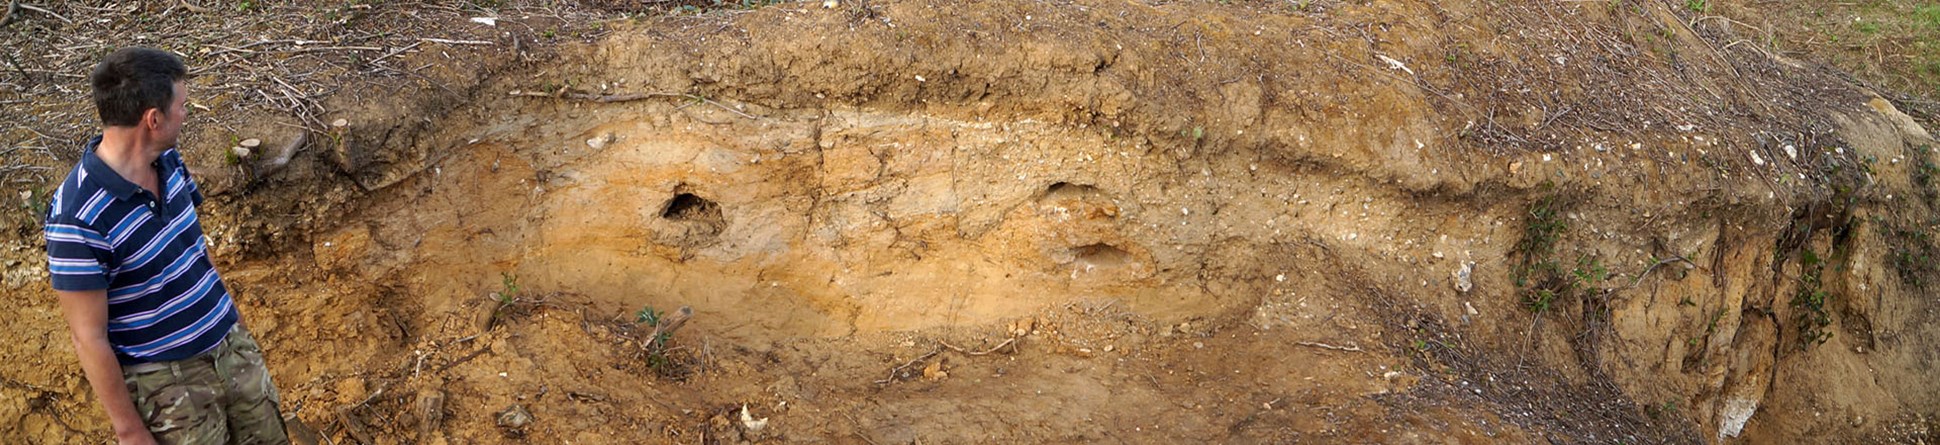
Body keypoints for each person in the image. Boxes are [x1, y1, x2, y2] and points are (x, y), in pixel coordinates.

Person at [44, 47, 289, 445]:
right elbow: (88, 337)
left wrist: (234, 325)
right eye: (182, 105)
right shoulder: (77, 217)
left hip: (231, 352)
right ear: (153, 119)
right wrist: (130, 431)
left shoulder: (169, 160)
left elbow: (196, 251)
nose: (186, 114)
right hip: (170, 388)